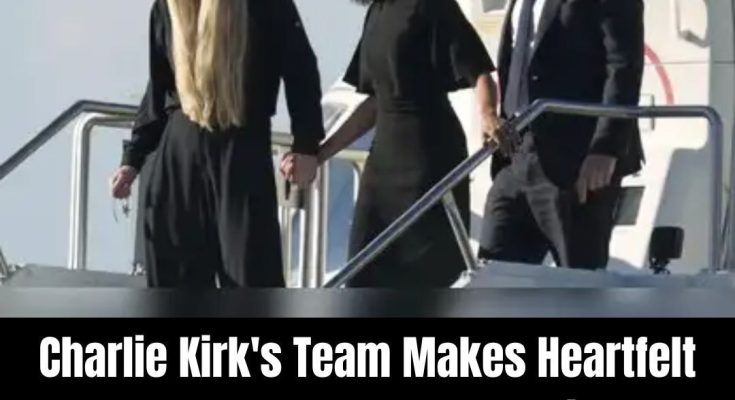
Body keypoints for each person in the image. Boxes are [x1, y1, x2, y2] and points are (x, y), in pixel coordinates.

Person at [282, 0, 500, 288]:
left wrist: (488, 114)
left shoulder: (431, 6)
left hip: (429, 161)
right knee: (362, 271)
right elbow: (374, 103)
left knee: (428, 279)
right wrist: (320, 154)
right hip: (383, 165)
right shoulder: (377, 12)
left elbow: (480, 73)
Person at [109, 0, 325, 288]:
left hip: (240, 151)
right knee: (174, 286)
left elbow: (300, 69)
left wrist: (306, 145)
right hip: (179, 154)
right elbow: (159, 88)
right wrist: (132, 159)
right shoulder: (168, 7)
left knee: (251, 282)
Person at [478, 0, 645, 270]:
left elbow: (623, 66)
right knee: (493, 272)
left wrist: (605, 147)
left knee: (577, 279)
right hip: (516, 153)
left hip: (576, 161)